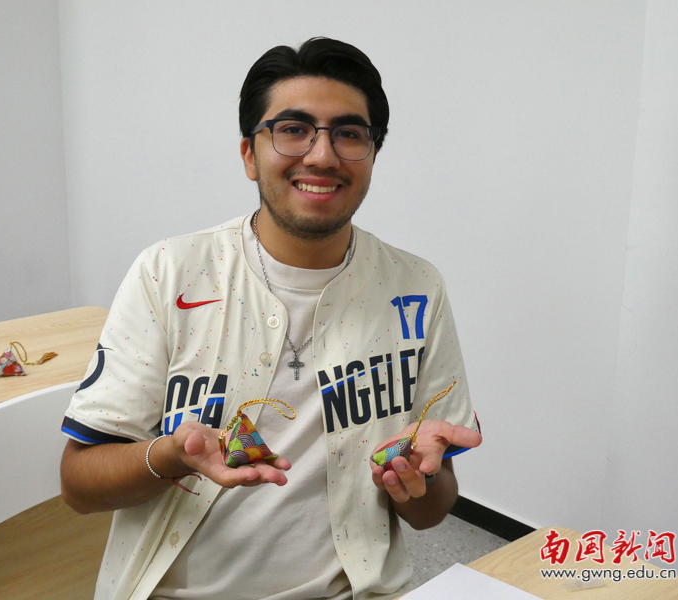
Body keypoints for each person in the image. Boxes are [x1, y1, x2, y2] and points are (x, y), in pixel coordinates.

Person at [60, 37, 482, 600]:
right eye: (293, 129)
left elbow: (432, 512)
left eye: (349, 134)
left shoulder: (416, 288)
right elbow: (78, 485)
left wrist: (417, 478)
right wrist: (170, 455)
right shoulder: (170, 273)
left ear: (372, 155)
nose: (322, 155)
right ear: (249, 154)